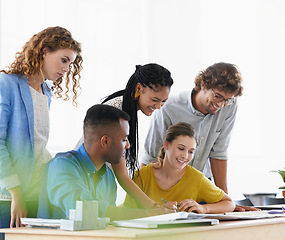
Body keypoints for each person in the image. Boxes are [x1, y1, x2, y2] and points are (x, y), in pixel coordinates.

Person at [140, 62, 258, 212]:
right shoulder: (169, 108)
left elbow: (219, 152)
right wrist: (147, 205)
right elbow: (151, 156)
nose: (221, 104)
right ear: (203, 85)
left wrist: (225, 203)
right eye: (218, 96)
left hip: (201, 187)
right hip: (169, 189)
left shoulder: (230, 106)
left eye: (227, 100)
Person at [0, 26, 83, 233]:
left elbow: (37, 144)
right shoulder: (6, 84)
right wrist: (16, 193)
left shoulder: (46, 92)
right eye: (64, 60)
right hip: (9, 197)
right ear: (44, 51)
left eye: (70, 63)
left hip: (37, 192)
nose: (66, 69)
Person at [38, 105, 171, 221]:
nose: (128, 146)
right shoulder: (62, 166)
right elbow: (86, 211)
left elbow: (107, 220)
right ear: (105, 141)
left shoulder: (107, 175)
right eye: (124, 140)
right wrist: (147, 214)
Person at [100, 64, 173, 209]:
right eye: (155, 99)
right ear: (139, 88)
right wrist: (154, 207)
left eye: (163, 101)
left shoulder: (126, 107)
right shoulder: (116, 112)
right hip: (89, 179)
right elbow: (122, 175)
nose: (158, 106)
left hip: (101, 180)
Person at [124, 122, 235, 213]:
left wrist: (203, 208)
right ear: (166, 145)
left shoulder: (196, 178)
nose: (185, 156)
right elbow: (127, 212)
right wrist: (157, 211)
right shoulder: (142, 175)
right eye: (181, 148)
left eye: (191, 151)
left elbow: (229, 203)